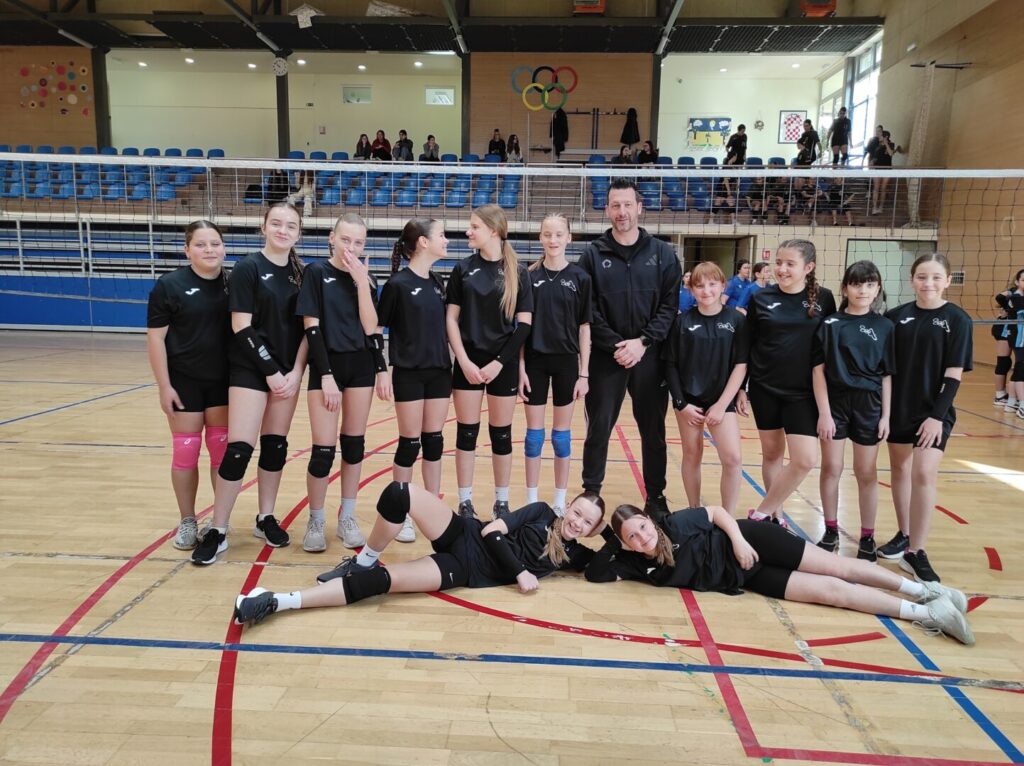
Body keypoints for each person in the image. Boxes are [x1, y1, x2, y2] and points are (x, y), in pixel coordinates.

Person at [584, 504, 974, 646]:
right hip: (745, 578)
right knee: (831, 591)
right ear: (627, 544)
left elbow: (717, 513)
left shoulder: (673, 524)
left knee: (837, 567)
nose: (643, 537)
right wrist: (609, 536)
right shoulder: (637, 564)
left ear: (649, 520)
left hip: (752, 541)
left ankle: (923, 589)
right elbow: (595, 574)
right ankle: (930, 614)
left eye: (642, 526)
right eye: (632, 537)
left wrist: (738, 540)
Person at [233, 482, 606, 625]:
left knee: (379, 583)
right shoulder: (541, 511)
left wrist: (615, 532)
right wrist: (520, 572)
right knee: (399, 493)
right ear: (568, 506)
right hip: (467, 533)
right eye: (577, 513)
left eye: (587, 522)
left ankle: (278, 601)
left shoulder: (574, 555)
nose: (577, 523)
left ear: (592, 529)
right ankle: (363, 558)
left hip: (462, 569)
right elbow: (492, 531)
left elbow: (604, 568)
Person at [192, 202, 307, 566]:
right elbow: (241, 325)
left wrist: (295, 372)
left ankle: (265, 517)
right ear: (264, 227)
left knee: (275, 447)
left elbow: (308, 329)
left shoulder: (302, 274)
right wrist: (270, 370)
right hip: (250, 369)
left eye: (290, 225)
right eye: (276, 223)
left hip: (287, 373)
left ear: (299, 233)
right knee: (239, 449)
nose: (283, 230)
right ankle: (218, 528)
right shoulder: (248, 268)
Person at [578, 178, 681, 520]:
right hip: (607, 357)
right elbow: (587, 309)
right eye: (615, 205)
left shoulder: (663, 254)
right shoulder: (592, 255)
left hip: (649, 356)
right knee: (598, 429)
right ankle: (591, 493)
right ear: (607, 210)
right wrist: (617, 345)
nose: (621, 212)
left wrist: (643, 342)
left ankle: (656, 497)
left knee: (653, 431)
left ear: (639, 207)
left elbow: (669, 307)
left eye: (627, 205)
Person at [880, 254, 973, 582]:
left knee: (923, 473)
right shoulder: (895, 317)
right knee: (900, 470)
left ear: (947, 281)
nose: (928, 283)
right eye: (922, 277)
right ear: (912, 280)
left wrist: (936, 417)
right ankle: (905, 534)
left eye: (935, 277)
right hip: (899, 409)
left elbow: (953, 375)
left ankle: (916, 551)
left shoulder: (958, 320)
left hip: (934, 412)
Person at [296, 213, 384, 553]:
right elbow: (311, 327)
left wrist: (362, 283)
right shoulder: (316, 273)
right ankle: (316, 519)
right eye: (345, 240)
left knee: (354, 445)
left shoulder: (367, 278)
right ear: (332, 238)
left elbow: (371, 327)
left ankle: (347, 517)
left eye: (358, 242)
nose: (351, 247)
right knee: (323, 451)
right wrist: (326, 374)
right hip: (327, 366)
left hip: (360, 367)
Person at [738, 239, 836, 527]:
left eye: (790, 264)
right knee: (772, 455)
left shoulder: (824, 298)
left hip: (804, 393)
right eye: (778, 262)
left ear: (809, 267)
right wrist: (742, 388)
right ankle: (775, 519)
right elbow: (747, 345)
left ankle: (761, 513)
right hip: (764, 387)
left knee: (805, 459)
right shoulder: (760, 297)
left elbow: (832, 344)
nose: (781, 269)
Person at [146, 220, 231, 550]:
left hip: (224, 383)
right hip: (184, 382)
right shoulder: (169, 285)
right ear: (187, 250)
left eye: (215, 243)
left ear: (224, 247)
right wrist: (163, 386)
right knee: (186, 452)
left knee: (222, 454)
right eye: (201, 244)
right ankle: (187, 520)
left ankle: (219, 522)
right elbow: (156, 339)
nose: (209, 249)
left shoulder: (235, 283)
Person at [446, 204, 533, 519]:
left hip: (502, 363)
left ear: (493, 231)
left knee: (501, 434)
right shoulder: (463, 269)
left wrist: (499, 362)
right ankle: (465, 501)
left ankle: (502, 501)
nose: (468, 231)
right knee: (466, 433)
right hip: (468, 362)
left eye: (474, 227)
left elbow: (524, 325)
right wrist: (463, 361)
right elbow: (451, 319)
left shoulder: (518, 271)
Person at [376, 219, 452, 538]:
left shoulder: (437, 281)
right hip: (408, 373)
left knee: (434, 441)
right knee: (409, 443)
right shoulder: (397, 284)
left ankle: (432, 507)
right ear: (423, 241)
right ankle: (402, 510)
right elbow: (377, 330)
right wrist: (382, 369)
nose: (447, 240)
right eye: (442, 235)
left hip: (439, 372)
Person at [814, 261, 895, 561]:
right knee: (831, 468)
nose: (863, 290)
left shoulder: (885, 326)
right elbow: (818, 370)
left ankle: (867, 537)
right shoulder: (830, 324)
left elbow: (887, 375)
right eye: (857, 284)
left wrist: (886, 416)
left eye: (870, 284)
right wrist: (824, 413)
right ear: (845, 288)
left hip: (869, 405)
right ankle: (830, 530)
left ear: (878, 289)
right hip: (835, 403)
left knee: (866, 472)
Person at [519, 214, 592, 515]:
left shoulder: (580, 278)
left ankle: (560, 501)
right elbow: (522, 326)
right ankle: (531, 500)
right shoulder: (528, 276)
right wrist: (520, 367)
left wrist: (584, 373)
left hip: (566, 363)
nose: (553, 240)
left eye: (559, 234)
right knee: (534, 437)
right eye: (547, 234)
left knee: (561, 438)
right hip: (534, 361)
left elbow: (584, 328)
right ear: (540, 237)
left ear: (569, 238)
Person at [663, 262, 748, 515]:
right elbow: (670, 365)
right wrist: (681, 404)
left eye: (712, 284)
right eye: (699, 286)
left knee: (732, 459)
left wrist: (722, 405)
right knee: (692, 454)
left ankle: (727, 518)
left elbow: (741, 365)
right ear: (691, 289)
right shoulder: (682, 322)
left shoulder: (736, 320)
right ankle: (694, 511)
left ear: (723, 285)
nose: (706, 290)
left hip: (721, 399)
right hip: (689, 401)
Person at [993, 269, 1024, 412]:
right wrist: (1008, 306)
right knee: (1004, 362)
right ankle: (1000, 395)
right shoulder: (1014, 294)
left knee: (1017, 365)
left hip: (1015, 329)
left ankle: (1012, 398)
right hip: (1006, 329)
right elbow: (999, 297)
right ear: (1017, 281)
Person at [1005, 275, 1024, 419]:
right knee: (1021, 368)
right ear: (1017, 282)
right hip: (1019, 338)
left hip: (1018, 337)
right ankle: (1022, 405)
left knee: (1019, 368)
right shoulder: (1017, 297)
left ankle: (1012, 402)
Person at [870, 130, 897, 214]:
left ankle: (881, 207)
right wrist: (872, 161)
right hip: (877, 169)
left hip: (887, 169)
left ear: (886, 137)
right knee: (876, 188)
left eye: (880, 135)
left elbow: (891, 153)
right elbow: (876, 157)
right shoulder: (877, 145)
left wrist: (886, 144)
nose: (878, 136)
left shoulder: (891, 144)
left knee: (883, 189)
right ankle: (874, 207)